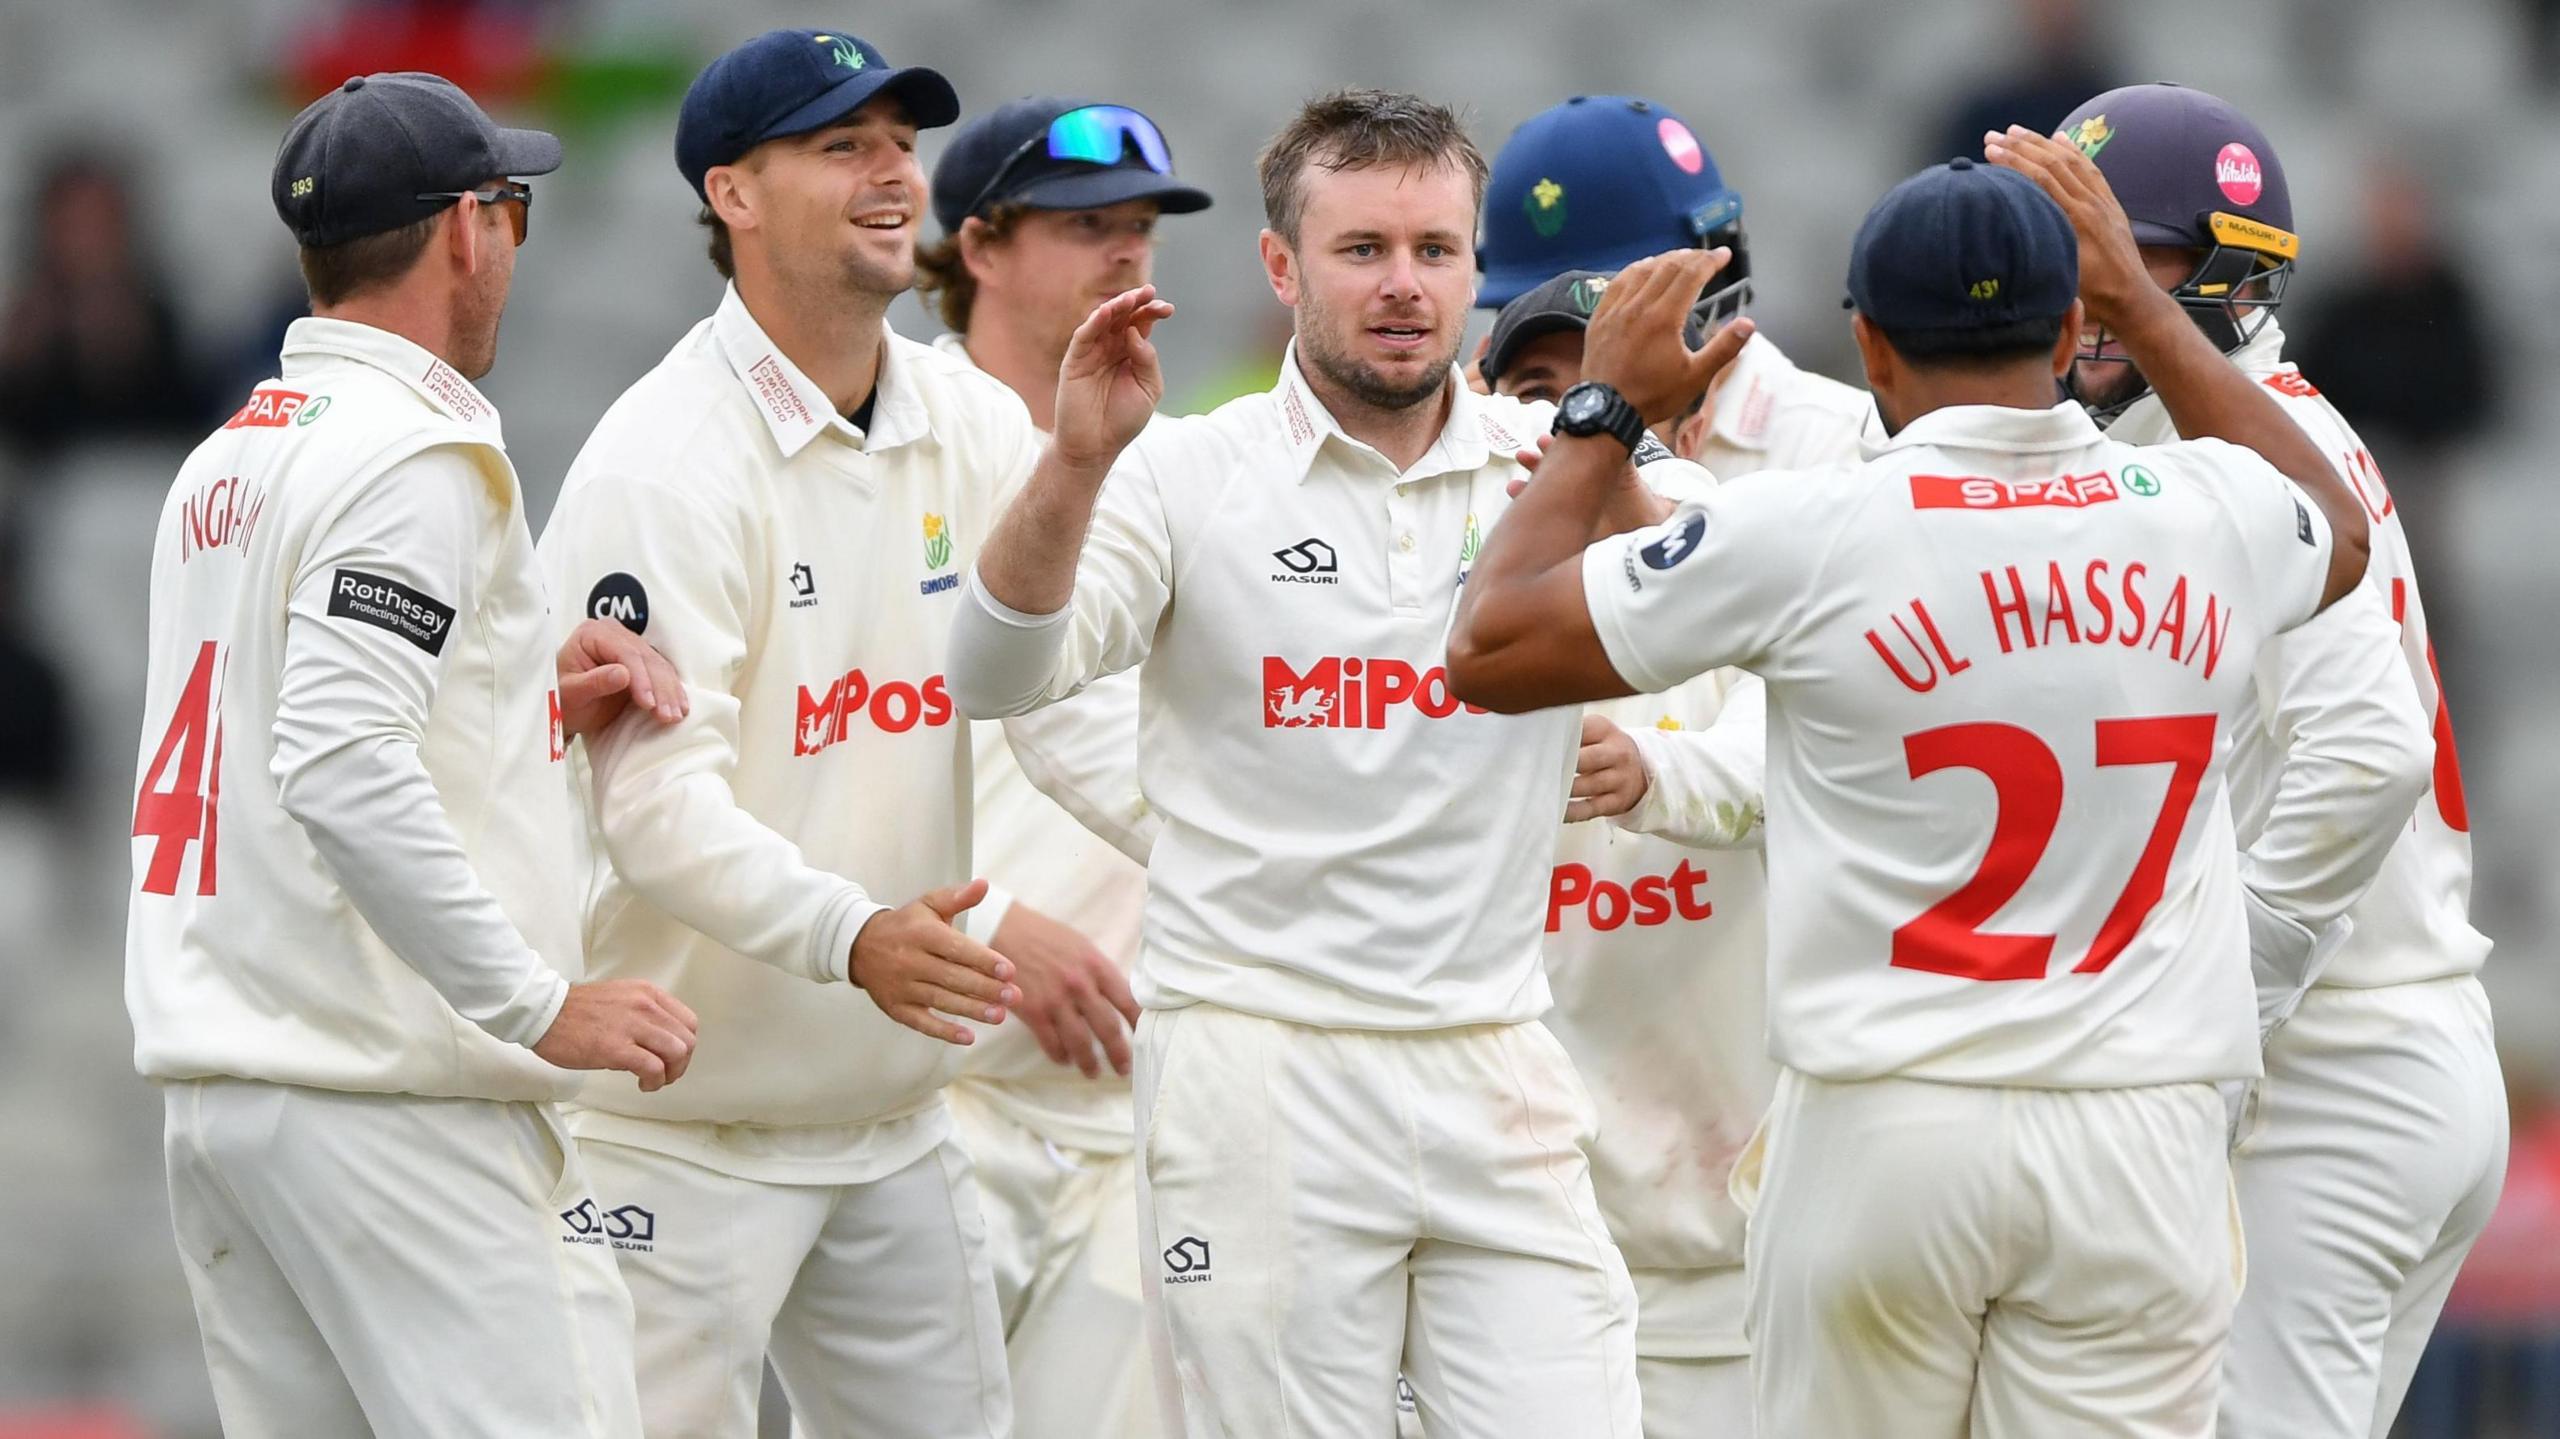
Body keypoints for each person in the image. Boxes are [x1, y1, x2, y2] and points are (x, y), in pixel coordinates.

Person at [1445, 137, 2429, 1438]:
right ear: (2074, 319)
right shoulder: (2204, 511)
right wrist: (2146, 308)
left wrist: (1601, 412)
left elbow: (1492, 643)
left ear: (1871, 348)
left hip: (1885, 1125)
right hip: (2139, 1137)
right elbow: (2337, 523)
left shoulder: (1812, 529)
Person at [947, 88, 1734, 1438]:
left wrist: (1623, 470)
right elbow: (999, 676)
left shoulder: (1551, 464)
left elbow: (1721, 627)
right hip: (1261, 1076)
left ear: (1479, 269)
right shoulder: (1184, 469)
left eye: (1436, 250)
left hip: (1497, 1059)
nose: (1404, 287)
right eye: (1361, 248)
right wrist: (1076, 462)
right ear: (1280, 266)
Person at [535, 30, 1095, 1438]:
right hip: (672, 1136)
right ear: (733, 192)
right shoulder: (664, 461)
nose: (893, 172)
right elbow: (652, 806)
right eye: (843, 145)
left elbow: (1084, 687)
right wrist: (855, 934)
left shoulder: (971, 422)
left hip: (895, 1122)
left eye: (901, 144)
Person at [126, 71, 696, 1438]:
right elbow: (334, 759)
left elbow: (296, 723)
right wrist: (532, 1000)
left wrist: (518, 701)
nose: (512, 244)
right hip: (395, 1108)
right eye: (514, 210)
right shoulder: (414, 452)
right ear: (465, 231)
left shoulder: (230, 452)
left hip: (233, 1097)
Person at [2054, 82, 2508, 1439]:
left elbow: (2365, 749)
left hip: (2332, 1076)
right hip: (2376, 1053)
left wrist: (2223, 1010)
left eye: (2129, 265)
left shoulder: (2247, 449)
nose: (2084, 305)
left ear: (2234, 278)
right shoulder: (2232, 433)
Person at [1474, 267, 1842, 1439]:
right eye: (1543, 390)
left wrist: (1653, 772)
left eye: (1609, 393)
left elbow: (1796, 744)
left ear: (1678, 416)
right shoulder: (1452, 591)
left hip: (1728, 1256)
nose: (1576, 420)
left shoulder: (1747, 557)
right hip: (1512, 1239)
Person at [916, 94, 1210, 1439]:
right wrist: (983, 915)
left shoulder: (1193, 475)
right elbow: (796, 753)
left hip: (1131, 1113)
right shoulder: (889, 447)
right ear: (978, 244)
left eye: (1142, 228)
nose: (1127, 257)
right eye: (1088, 226)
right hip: (935, 1089)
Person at [0, 150, 212, 452]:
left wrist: (123, 352)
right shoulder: (26, 327)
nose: (89, 240)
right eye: (74, 223)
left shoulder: (162, 319)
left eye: (101, 220)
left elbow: (190, 423)